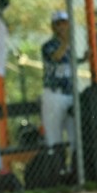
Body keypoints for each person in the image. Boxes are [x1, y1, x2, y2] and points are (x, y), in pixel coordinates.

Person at [40, 11, 88, 162]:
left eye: (65, 23)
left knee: (75, 135)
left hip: (70, 95)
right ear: (53, 27)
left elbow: (69, 63)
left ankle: (75, 170)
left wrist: (83, 59)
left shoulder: (69, 47)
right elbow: (56, 57)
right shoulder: (48, 46)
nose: (62, 26)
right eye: (58, 23)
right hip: (54, 95)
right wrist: (66, 41)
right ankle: (57, 171)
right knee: (54, 138)